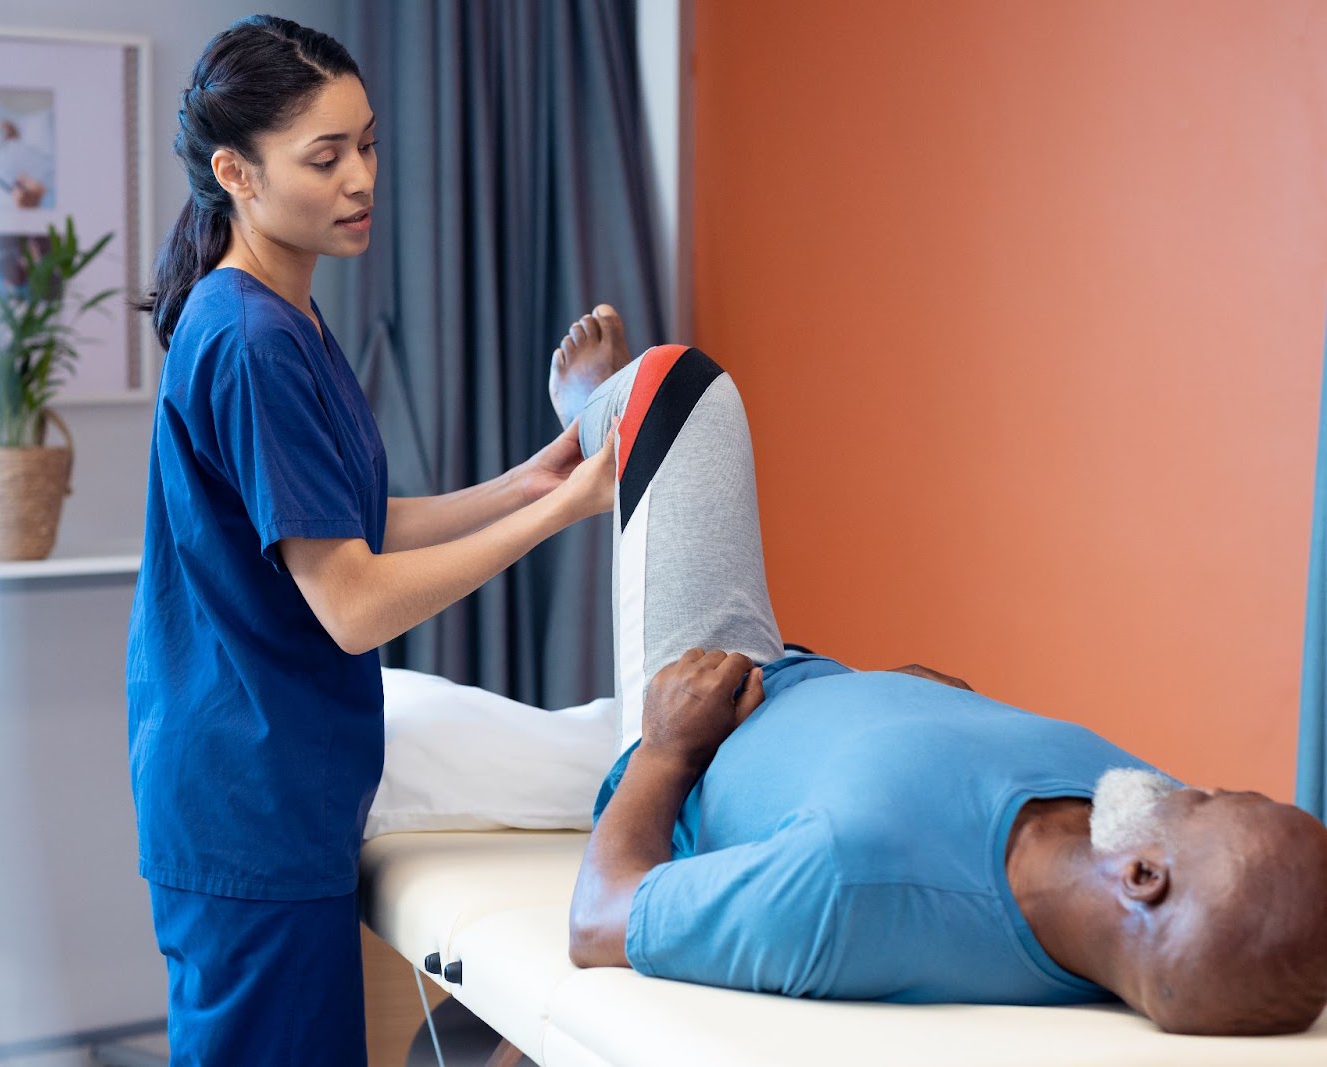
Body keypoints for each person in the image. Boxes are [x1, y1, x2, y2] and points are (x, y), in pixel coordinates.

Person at [535, 311, 1327, 1037]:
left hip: (701, 701)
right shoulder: (1122, 817)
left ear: (1146, 877)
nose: (1197, 786)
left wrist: (664, 750)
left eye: (1219, 801)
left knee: (678, 389)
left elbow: (600, 917)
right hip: (814, 680)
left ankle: (594, 412)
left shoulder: (853, 887)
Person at [125, 16, 616, 1065]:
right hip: (248, 796)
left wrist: (528, 478)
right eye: (325, 155)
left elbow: (344, 520)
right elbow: (349, 601)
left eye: (368, 144)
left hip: (273, 781)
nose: (361, 179)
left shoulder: (283, 314)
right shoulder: (252, 339)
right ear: (235, 172)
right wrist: (558, 513)